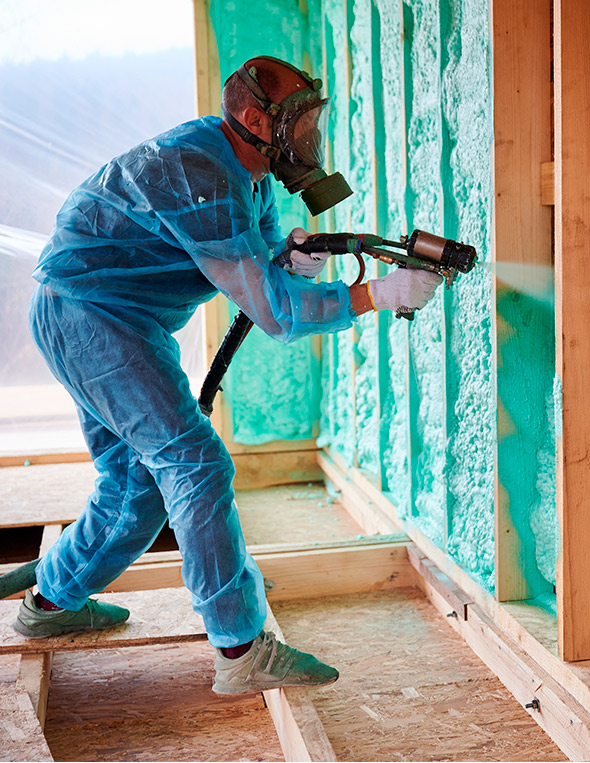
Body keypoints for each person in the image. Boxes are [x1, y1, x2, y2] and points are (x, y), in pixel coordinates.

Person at [15, 56, 441, 694]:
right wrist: (377, 294)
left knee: (136, 483)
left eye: (313, 123)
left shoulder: (253, 176)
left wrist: (292, 263)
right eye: (301, 124)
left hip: (113, 319)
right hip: (91, 317)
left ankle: (51, 602)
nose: (310, 138)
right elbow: (275, 313)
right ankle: (240, 649)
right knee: (195, 464)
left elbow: (263, 277)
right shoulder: (203, 175)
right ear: (254, 119)